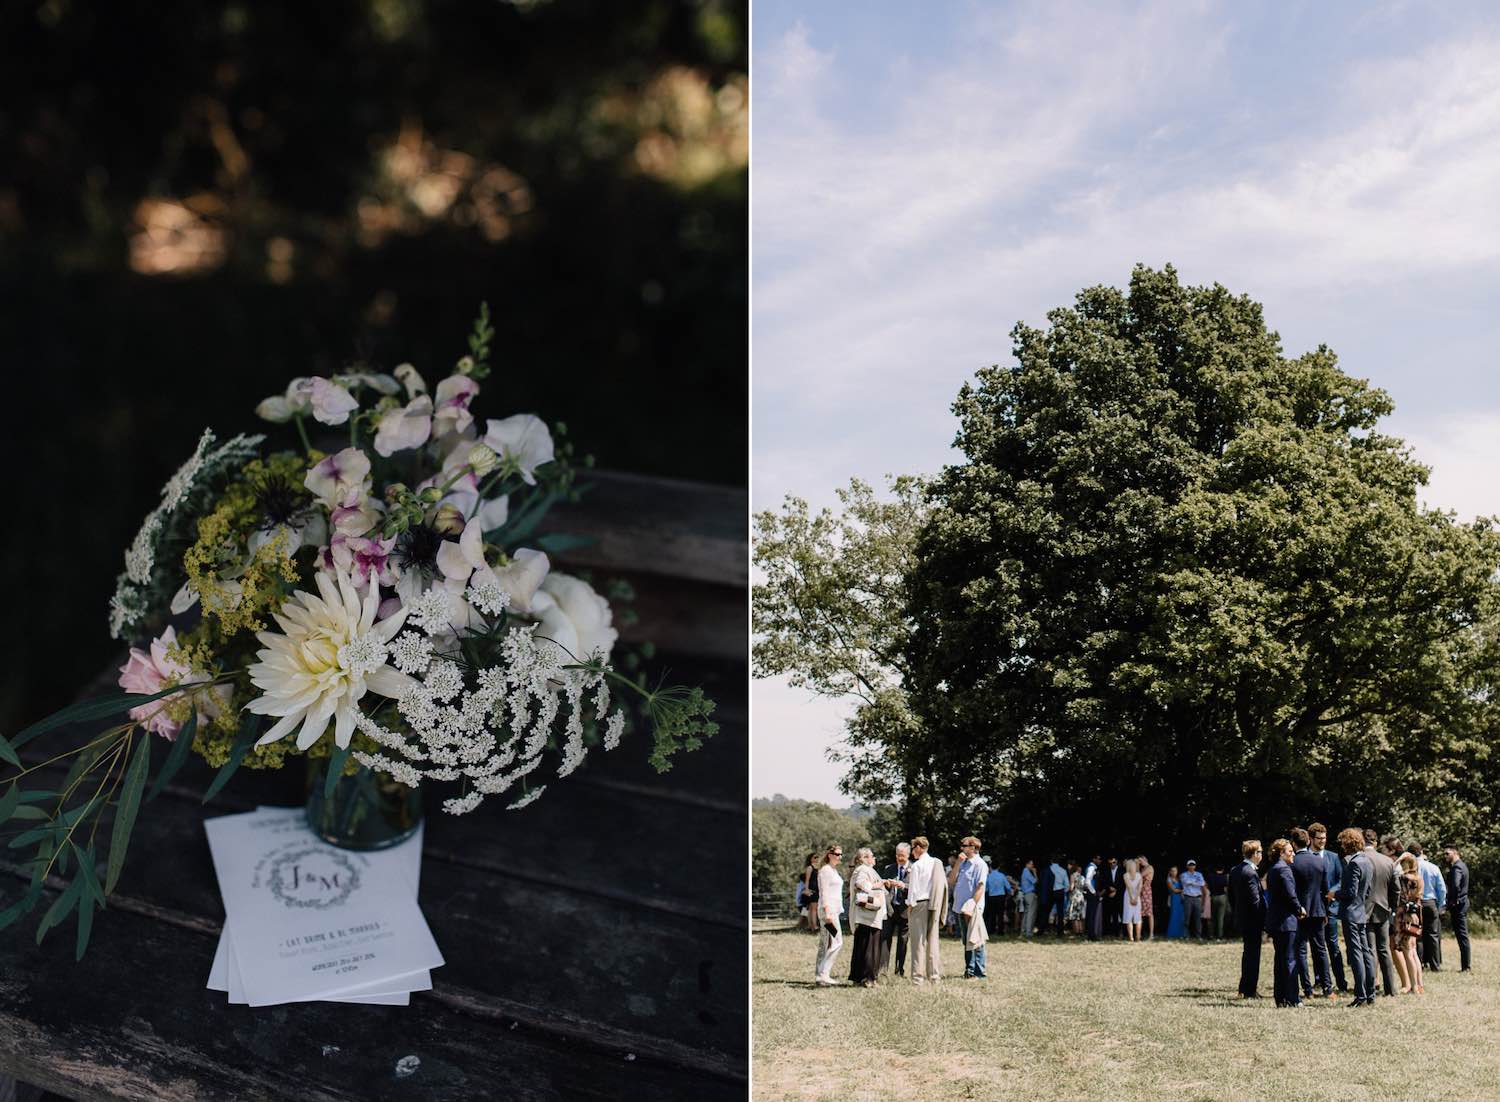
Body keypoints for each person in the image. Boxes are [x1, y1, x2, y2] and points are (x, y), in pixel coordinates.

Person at [1290, 827, 1332, 1000]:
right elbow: (1326, 890)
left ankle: (1307, 989)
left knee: (1300, 950)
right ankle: (1328, 988)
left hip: (1299, 911)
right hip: (1318, 910)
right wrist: (1326, 911)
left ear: (1293, 844)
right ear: (1308, 841)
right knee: (1321, 950)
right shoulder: (1320, 862)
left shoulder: (1292, 863)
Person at [1338, 827, 1376, 1007]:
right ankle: (1370, 994)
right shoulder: (1367, 861)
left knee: (1356, 955)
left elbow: (1350, 892)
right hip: (1361, 911)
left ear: (1348, 843)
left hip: (1351, 912)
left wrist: (1334, 895)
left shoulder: (1353, 863)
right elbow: (1367, 890)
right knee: (1366, 952)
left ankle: (1360, 996)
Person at [1265, 838, 1305, 1008]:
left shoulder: (1273, 869)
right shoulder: (1284, 870)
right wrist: (1299, 909)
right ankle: (1293, 998)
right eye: (1290, 851)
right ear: (1281, 853)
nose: (1293, 854)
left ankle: (1280, 998)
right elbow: (1290, 895)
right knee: (1290, 960)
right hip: (1287, 921)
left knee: (1280, 960)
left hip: (1276, 921)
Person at [1309, 823, 1349, 994]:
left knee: (1333, 945)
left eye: (1324, 838)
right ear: (1311, 838)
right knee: (1315, 946)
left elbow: (1341, 879)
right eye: (1319, 838)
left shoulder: (1333, 857)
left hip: (1330, 908)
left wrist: (1333, 891)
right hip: (1312, 909)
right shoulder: (1303, 856)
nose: (1323, 841)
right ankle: (1320, 980)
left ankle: (1341, 982)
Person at [1363, 829, 1399, 997]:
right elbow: (1396, 889)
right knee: (1384, 949)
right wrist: (1392, 906)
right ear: (1376, 843)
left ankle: (1370, 988)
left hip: (1364, 910)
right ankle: (1390, 989)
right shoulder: (1388, 862)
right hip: (1383, 909)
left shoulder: (1359, 860)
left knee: (1370, 950)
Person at [905, 836, 945, 986]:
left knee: (918, 943)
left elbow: (913, 889)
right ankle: (934, 976)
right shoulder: (936, 862)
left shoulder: (917, 866)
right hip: (934, 904)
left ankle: (917, 978)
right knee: (933, 942)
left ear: (918, 848)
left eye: (913, 849)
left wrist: (910, 905)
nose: (912, 853)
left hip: (919, 904)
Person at [1229, 840, 1265, 998]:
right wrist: (1263, 920)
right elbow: (1255, 901)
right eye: (1260, 852)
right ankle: (1250, 990)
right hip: (1252, 920)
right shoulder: (1250, 872)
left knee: (1247, 953)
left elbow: (1231, 896)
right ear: (1255, 854)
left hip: (1242, 918)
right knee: (1253, 955)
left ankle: (1243, 988)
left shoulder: (1235, 870)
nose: (1262, 854)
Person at [846, 847, 887, 988]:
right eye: (872, 856)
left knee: (864, 945)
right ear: (865, 858)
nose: (874, 858)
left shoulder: (864, 869)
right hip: (867, 915)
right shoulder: (863, 869)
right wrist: (879, 884)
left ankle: (861, 977)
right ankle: (868, 978)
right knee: (869, 947)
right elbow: (861, 884)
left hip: (868, 915)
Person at [952, 836, 988, 978]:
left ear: (973, 847)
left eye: (964, 845)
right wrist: (957, 863)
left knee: (975, 940)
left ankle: (978, 973)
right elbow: (951, 880)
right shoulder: (963, 863)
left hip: (972, 907)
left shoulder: (980, 864)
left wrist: (971, 905)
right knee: (966, 940)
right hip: (959, 906)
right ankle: (969, 970)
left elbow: (980, 887)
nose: (962, 848)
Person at [813, 843, 846, 986]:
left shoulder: (833, 870)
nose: (840, 857)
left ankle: (820, 975)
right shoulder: (825, 870)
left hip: (833, 910)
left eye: (841, 854)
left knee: (825, 943)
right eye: (837, 854)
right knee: (837, 942)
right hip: (828, 910)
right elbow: (824, 892)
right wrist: (827, 912)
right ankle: (823, 973)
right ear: (829, 855)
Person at [1409, 841, 1445, 971]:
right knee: (1433, 935)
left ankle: (1419, 964)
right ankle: (1435, 965)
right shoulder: (1433, 867)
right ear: (1422, 852)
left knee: (1417, 934)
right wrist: (1441, 905)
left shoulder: (1410, 868)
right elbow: (1441, 889)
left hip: (1416, 902)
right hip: (1430, 903)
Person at [1392, 854, 1423, 995]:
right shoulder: (1419, 878)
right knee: (1414, 951)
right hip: (1415, 916)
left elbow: (1401, 898)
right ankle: (1419, 984)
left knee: (1407, 952)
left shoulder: (1404, 879)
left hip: (1404, 916)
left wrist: (1396, 860)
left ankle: (1413, 986)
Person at [879, 843, 911, 977]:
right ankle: (882, 969)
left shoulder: (914, 869)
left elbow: (918, 888)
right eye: (897, 855)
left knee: (903, 941)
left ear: (908, 855)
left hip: (905, 909)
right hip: (890, 908)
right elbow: (883, 888)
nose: (899, 858)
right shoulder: (889, 868)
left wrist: (904, 886)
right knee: (885, 938)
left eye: (902, 855)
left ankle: (899, 969)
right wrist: (886, 885)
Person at [1444, 844, 1471, 972]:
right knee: (1462, 935)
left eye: (1447, 854)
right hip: (1463, 903)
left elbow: (1455, 885)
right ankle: (1465, 965)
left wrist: (1452, 901)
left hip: (1458, 905)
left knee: (1462, 936)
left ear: (1455, 853)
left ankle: (1466, 966)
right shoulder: (1463, 865)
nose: (1445, 856)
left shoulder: (1457, 867)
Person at [1180, 860, 1206, 940]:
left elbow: (1202, 883)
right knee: (1187, 917)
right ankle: (1186, 935)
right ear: (1187, 866)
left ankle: (1198, 936)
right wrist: (1196, 882)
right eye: (1190, 865)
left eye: (1193, 865)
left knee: (1198, 918)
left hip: (1197, 898)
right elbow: (1185, 882)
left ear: (1195, 866)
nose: (1192, 866)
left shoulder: (1199, 874)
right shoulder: (1183, 874)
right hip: (1188, 897)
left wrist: (1192, 882)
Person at [984, 858, 1009, 940]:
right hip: (1001, 897)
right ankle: (1000, 931)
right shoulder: (1002, 876)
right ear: (998, 867)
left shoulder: (989, 876)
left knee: (992, 914)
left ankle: (991, 930)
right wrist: (1011, 891)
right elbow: (1007, 886)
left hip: (991, 897)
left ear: (991, 866)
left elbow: (986, 888)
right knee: (1000, 914)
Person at [1121, 858, 1143, 942]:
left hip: (1128, 897)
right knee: (1138, 917)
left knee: (1129, 917)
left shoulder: (1125, 875)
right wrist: (1136, 898)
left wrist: (1131, 899)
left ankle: (1131, 938)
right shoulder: (1139, 875)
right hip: (1136, 897)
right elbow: (1139, 887)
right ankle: (1138, 937)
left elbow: (1129, 887)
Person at [1046, 858, 1069, 935]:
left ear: (1051, 861)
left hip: (1051, 892)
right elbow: (1067, 885)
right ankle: (1060, 931)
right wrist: (1063, 891)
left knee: (1047, 911)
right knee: (1060, 912)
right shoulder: (1063, 870)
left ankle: (1044, 928)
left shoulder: (1048, 869)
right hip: (1060, 891)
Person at [1083, 854, 1103, 941]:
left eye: (1100, 859)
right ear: (1094, 859)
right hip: (1092, 894)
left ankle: (1091, 934)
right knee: (1092, 914)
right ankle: (1091, 935)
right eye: (1098, 859)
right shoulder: (1091, 868)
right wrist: (1094, 892)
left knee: (1091, 914)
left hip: (1091, 893)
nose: (1100, 861)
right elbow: (1087, 881)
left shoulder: (1092, 867)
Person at [1102, 856, 1123, 938]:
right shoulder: (1106, 870)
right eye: (1110, 863)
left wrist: (1116, 891)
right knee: (1107, 914)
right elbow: (1104, 881)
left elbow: (1123, 883)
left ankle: (1119, 933)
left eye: (1113, 862)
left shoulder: (1122, 870)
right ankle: (1107, 933)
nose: (1112, 864)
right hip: (1109, 896)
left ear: (1116, 862)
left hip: (1119, 896)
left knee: (1118, 915)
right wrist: (1109, 888)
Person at [1208, 864, 1229, 940]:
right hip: (1222, 897)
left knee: (1213, 917)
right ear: (1222, 870)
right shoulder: (1224, 877)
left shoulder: (1211, 876)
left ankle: (1211, 935)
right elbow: (1226, 889)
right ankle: (1220, 936)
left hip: (1213, 897)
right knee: (1220, 918)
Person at [1019, 858, 1039, 938]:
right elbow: (1035, 881)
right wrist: (1035, 873)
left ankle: (1023, 930)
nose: (1032, 866)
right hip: (1030, 894)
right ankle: (1029, 932)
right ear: (1027, 864)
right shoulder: (1027, 872)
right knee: (1031, 913)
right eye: (1031, 864)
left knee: (1027, 913)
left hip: (1026, 894)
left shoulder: (1025, 872)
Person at [800, 852, 819, 934]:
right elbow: (807, 880)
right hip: (812, 890)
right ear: (811, 859)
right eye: (815, 857)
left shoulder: (818, 868)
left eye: (817, 857)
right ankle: (814, 926)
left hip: (816, 890)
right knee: (813, 909)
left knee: (812, 909)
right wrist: (807, 890)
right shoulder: (810, 868)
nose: (816, 859)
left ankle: (811, 926)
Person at [1166, 866, 1185, 939]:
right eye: (1172, 871)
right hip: (1174, 899)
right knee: (1174, 915)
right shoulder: (1169, 880)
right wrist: (1182, 891)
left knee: (1181, 915)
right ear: (1170, 872)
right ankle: (1173, 933)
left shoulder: (1179, 879)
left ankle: (1181, 933)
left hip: (1180, 899)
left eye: (1175, 871)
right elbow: (1174, 890)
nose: (1174, 872)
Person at [1066, 862, 1086, 934]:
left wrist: (1066, 890)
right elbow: (1085, 887)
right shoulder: (1083, 877)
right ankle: (1081, 931)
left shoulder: (1073, 876)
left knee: (1074, 915)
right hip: (1081, 896)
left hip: (1075, 896)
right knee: (1081, 915)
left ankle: (1076, 931)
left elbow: (1071, 887)